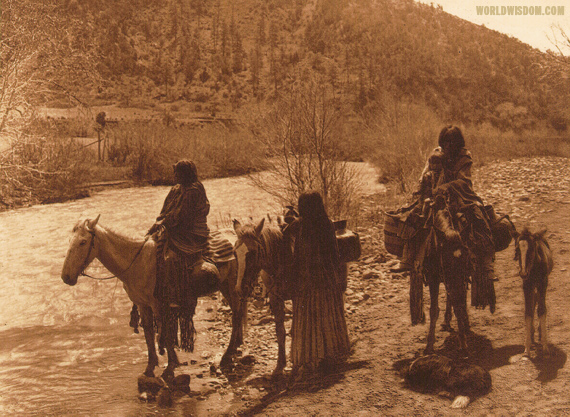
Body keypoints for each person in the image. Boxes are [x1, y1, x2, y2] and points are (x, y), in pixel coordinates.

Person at [404, 126, 496, 311]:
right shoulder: (436, 155)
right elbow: (424, 175)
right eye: (445, 142)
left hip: (461, 198)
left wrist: (445, 187)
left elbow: (465, 181)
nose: (448, 146)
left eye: (452, 142)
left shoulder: (464, 158)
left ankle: (485, 267)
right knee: (412, 222)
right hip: (434, 198)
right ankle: (413, 263)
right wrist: (425, 187)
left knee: (480, 222)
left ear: (458, 143)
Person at [289, 191, 350, 382]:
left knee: (308, 319)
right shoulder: (326, 224)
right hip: (325, 279)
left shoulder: (299, 226)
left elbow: (291, 250)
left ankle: (309, 357)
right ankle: (328, 355)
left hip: (305, 281)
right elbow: (334, 254)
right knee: (326, 315)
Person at [147, 160, 210, 309]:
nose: (175, 176)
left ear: (186, 174)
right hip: (176, 227)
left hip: (191, 232)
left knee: (171, 257)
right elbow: (166, 210)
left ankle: (173, 295)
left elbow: (183, 216)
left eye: (178, 173)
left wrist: (163, 224)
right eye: (175, 172)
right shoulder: (176, 189)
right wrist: (158, 222)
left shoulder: (194, 190)